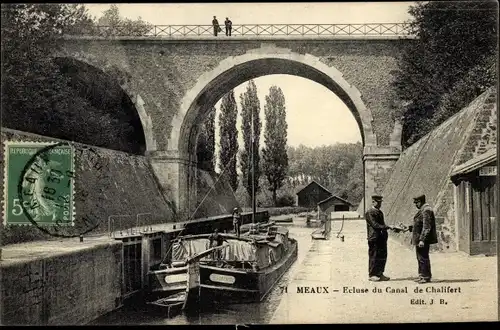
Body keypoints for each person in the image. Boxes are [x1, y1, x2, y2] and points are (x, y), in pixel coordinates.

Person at [407, 194, 438, 284]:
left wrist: (422, 239)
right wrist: (409, 228)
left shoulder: (426, 210)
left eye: (416, 203)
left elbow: (426, 227)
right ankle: (422, 275)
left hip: (422, 239)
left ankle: (425, 276)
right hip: (419, 238)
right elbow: (419, 224)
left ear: (420, 202)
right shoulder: (423, 210)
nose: (416, 205)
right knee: (420, 257)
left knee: (423, 257)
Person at [365, 195, 394, 282]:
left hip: (381, 237)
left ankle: (380, 273)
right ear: (373, 202)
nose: (380, 204)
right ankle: (372, 274)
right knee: (374, 255)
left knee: (382, 256)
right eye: (378, 202)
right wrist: (388, 227)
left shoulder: (380, 212)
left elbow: (382, 225)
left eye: (381, 202)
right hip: (374, 237)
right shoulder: (369, 212)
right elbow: (375, 225)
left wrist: (389, 228)